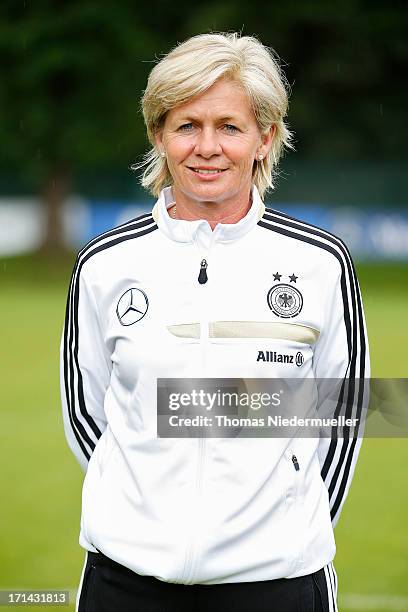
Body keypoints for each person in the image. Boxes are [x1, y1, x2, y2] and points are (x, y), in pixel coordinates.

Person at [60, 32, 369, 612]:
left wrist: (281, 532)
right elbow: (88, 415)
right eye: (186, 126)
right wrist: (141, 517)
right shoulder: (104, 265)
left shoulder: (321, 264)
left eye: (229, 126)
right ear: (159, 136)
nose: (207, 147)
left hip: (276, 585)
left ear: (265, 138)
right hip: (125, 581)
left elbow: (344, 415)